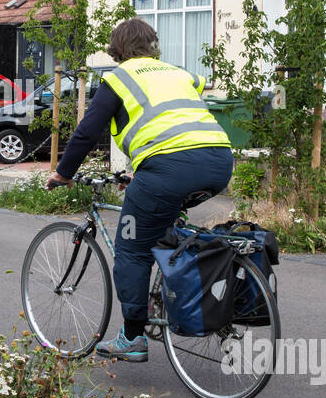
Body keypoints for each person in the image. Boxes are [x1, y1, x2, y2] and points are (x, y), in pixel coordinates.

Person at [46, 18, 234, 362]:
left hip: (169, 170)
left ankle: (132, 337)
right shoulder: (178, 72)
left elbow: (87, 133)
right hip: (219, 162)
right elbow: (172, 122)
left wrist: (63, 173)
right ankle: (182, 292)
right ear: (152, 45)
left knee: (131, 248)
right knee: (162, 224)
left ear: (117, 49)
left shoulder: (118, 78)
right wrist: (144, 173)